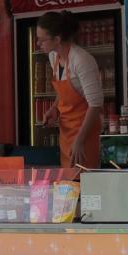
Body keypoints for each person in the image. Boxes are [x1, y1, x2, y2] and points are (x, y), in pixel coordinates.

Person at [34, 11, 103, 169]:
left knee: (84, 179)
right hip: (66, 131)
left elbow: (95, 105)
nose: (38, 43)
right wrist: (54, 109)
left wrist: (80, 140)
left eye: (42, 40)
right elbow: (63, 91)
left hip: (85, 133)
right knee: (68, 180)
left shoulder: (82, 60)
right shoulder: (53, 57)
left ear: (57, 39)